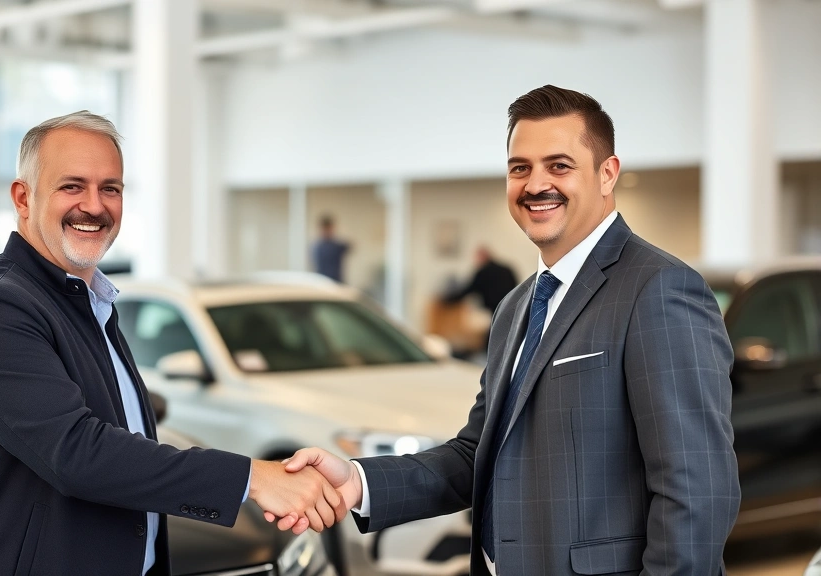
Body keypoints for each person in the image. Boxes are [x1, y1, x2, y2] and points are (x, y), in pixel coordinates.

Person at [279, 86, 740, 574]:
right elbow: (476, 453)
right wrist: (357, 482)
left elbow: (697, 490)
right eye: (520, 167)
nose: (535, 184)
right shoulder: (517, 307)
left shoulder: (659, 289)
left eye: (559, 166)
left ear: (608, 174)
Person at [0, 111, 345, 575]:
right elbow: (77, 453)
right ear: (23, 198)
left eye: (111, 188)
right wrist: (253, 478)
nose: (94, 205)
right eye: (72, 186)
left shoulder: (90, 303)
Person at [443, 246, 518, 314]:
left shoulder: (482, 272)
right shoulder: (506, 269)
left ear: (482, 257)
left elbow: (469, 289)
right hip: (509, 306)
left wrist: (449, 300)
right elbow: (515, 286)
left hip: (493, 309)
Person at [311, 215, 351, 282]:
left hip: (336, 280)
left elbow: (349, 246)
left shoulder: (337, 245)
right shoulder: (317, 246)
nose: (327, 231)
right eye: (325, 229)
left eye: (328, 229)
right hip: (322, 280)